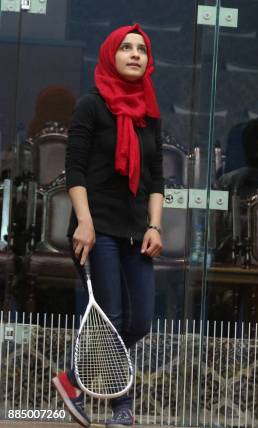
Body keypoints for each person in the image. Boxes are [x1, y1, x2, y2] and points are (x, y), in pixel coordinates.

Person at [52, 24, 164, 428]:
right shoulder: (90, 105)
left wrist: (155, 226)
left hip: (137, 232)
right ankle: (122, 406)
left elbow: (156, 178)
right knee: (112, 319)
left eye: (142, 50)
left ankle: (71, 377)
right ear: (110, 55)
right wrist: (84, 221)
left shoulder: (150, 115)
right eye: (126, 48)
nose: (135, 54)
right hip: (95, 229)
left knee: (140, 321)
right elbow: (74, 169)